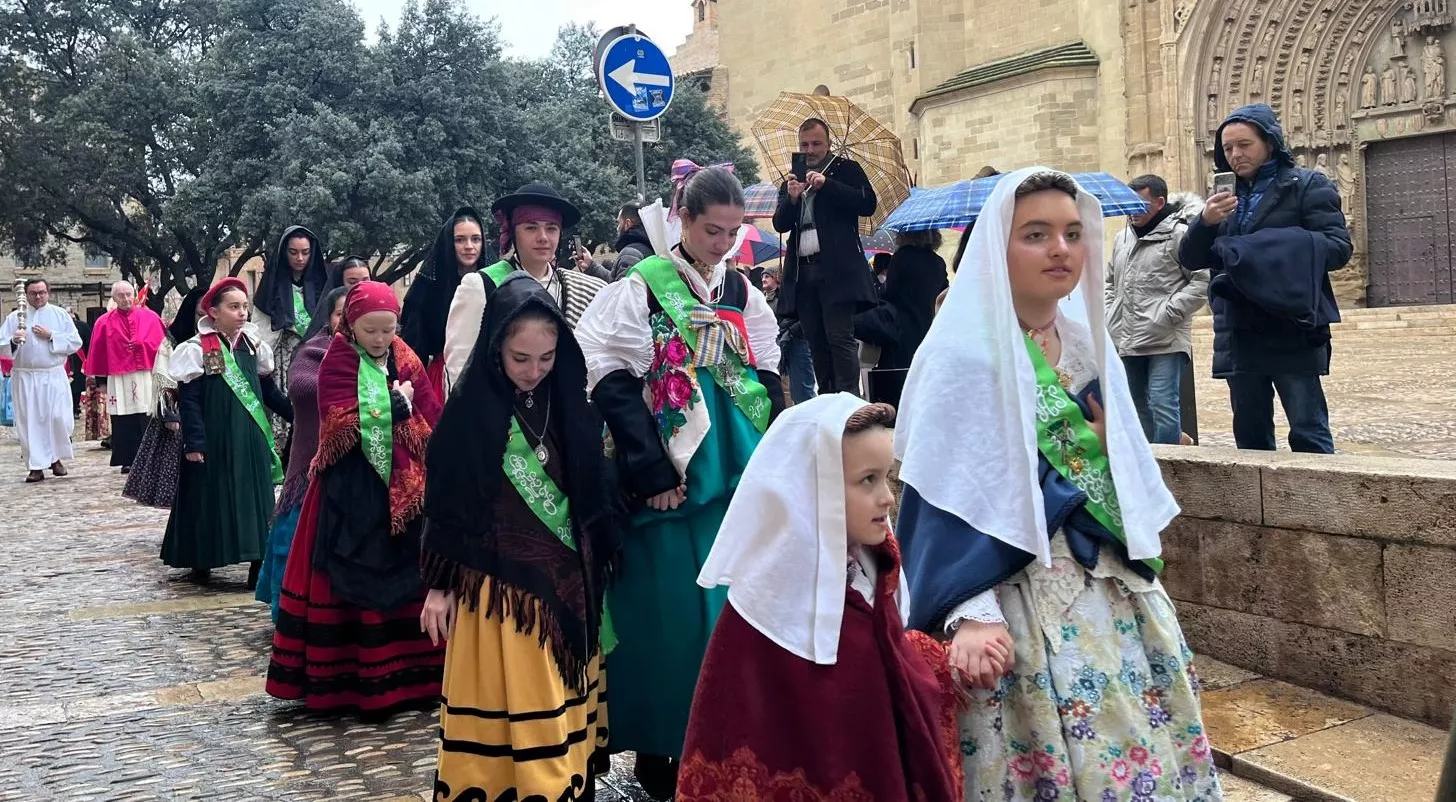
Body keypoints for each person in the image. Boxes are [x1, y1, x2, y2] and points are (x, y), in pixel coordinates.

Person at [895, 168, 1221, 799]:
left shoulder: (1087, 344)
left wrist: (1102, 451)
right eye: (1036, 234)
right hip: (1012, 593)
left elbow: (1122, 468)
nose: (1060, 249)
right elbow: (939, 496)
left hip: (1105, 584)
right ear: (997, 247)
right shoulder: (962, 356)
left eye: (1073, 233)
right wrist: (971, 613)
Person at [575, 166, 785, 797]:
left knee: (728, 608)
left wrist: (770, 448)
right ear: (682, 220)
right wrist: (648, 467)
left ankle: (728, 733)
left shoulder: (743, 290)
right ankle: (661, 742)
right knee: (667, 611)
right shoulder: (642, 286)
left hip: (735, 462)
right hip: (672, 466)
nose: (722, 243)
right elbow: (608, 374)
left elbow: (767, 368)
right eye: (711, 230)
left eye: (731, 232)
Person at [678, 395, 961, 801]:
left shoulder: (874, 575)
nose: (888, 497)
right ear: (815, 488)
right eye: (869, 480)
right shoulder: (762, 615)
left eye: (888, 477)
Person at [419, 274, 619, 800]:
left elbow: (594, 488)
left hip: (567, 575)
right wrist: (438, 585)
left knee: (559, 694)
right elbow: (445, 501)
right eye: (520, 358)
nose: (534, 371)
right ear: (495, 349)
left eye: (547, 358)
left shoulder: (572, 402)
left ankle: (565, 780)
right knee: (513, 698)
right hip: (497, 588)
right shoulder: (469, 413)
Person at [266, 281, 446, 714]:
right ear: (351, 325)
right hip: (349, 490)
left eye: (388, 329)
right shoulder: (337, 359)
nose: (381, 339)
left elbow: (430, 407)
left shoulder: (405, 355)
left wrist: (430, 435)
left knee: (410, 579)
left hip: (407, 486)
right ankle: (353, 683)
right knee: (353, 583)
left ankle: (419, 680)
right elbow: (340, 417)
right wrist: (393, 403)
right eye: (371, 331)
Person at [1179, 103, 1351, 453]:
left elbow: (1337, 249)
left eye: (1244, 145)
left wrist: (1254, 250)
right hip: (1239, 329)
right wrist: (1205, 223)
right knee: (1250, 434)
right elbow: (1191, 258)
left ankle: (1316, 506)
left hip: (1293, 324)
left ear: (1269, 142)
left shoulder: (1306, 186)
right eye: (1227, 149)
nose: (1235, 155)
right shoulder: (1223, 199)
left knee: (1308, 431)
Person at [162, 278, 292, 586]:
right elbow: (190, 400)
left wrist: (298, 414)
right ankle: (201, 562)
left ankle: (258, 565)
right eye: (234, 307)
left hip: (250, 437)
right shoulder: (196, 348)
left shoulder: (252, 345)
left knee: (258, 500)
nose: (242, 313)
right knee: (209, 499)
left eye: (244, 307)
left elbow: (268, 391)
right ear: (213, 311)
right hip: (214, 437)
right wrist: (194, 442)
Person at [442, 183, 607, 395]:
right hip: (503, 418)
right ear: (513, 233)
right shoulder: (481, 286)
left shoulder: (575, 287)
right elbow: (459, 368)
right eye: (531, 227)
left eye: (551, 228)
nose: (543, 237)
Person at [254, 285, 349, 620]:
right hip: (312, 470)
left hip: (362, 472)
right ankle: (291, 609)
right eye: (341, 313)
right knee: (297, 541)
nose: (348, 320)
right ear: (329, 316)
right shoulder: (314, 351)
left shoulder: (387, 352)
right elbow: (303, 389)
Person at [773, 117, 879, 395]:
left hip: (837, 271)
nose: (810, 150)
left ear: (829, 144)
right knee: (815, 340)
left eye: (816, 143)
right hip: (804, 272)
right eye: (805, 144)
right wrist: (793, 198)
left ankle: (848, 400)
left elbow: (867, 203)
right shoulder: (792, 179)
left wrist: (828, 185)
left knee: (839, 337)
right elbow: (780, 224)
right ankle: (827, 398)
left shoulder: (846, 169)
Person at [1106, 175, 1209, 445]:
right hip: (1127, 335)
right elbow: (1110, 281)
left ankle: (1170, 468)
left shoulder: (1180, 235)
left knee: (1163, 405)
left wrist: (1170, 312)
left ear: (1160, 202)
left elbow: (1202, 280)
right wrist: (1111, 312)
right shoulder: (1121, 238)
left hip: (1165, 337)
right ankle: (1148, 463)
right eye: (1127, 204)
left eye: (1138, 204)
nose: (1130, 212)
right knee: (1136, 406)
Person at [123, 285, 206, 510]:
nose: (204, 318)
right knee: (176, 476)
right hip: (180, 417)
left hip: (209, 413)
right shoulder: (175, 338)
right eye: (200, 313)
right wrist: (171, 413)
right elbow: (164, 376)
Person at [854, 229, 949, 410]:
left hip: (900, 335)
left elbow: (891, 295)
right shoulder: (938, 262)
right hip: (927, 332)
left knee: (898, 394)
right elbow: (943, 294)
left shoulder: (902, 257)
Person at [401, 206, 488, 398]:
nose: (469, 246)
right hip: (442, 378)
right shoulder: (428, 286)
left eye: (476, 239)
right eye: (460, 239)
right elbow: (413, 344)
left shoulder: (496, 283)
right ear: (449, 242)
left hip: (489, 375)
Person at [254, 226, 329, 448]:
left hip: (315, 360)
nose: (300, 258)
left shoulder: (320, 287)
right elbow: (261, 330)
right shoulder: (271, 287)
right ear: (283, 252)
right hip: (283, 362)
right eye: (293, 252)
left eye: (305, 252)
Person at [2, 279, 83, 482]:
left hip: (53, 375)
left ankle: (55, 458)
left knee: (58, 418)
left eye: (41, 292)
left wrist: (52, 335)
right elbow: (2, 345)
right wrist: (12, 341)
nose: (38, 296)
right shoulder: (14, 317)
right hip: (26, 376)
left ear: (48, 292)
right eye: (33, 293)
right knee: (30, 422)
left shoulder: (60, 315)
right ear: (26, 295)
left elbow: (75, 342)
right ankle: (35, 466)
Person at [85, 281, 167, 472]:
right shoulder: (103, 322)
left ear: (135, 295)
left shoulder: (151, 317)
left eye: (129, 294)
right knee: (123, 419)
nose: (126, 299)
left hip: (146, 375)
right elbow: (98, 353)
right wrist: (101, 381)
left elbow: (163, 346)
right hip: (118, 377)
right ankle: (128, 459)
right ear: (114, 298)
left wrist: (142, 346)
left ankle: (150, 457)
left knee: (147, 415)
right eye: (120, 295)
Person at [762, 266, 815, 405]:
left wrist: (790, 330)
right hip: (782, 340)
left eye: (768, 276)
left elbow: (806, 314)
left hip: (795, 338)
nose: (764, 279)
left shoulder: (796, 288)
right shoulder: (768, 296)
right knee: (792, 388)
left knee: (801, 389)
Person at [609, 199, 654, 281]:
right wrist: (592, 266)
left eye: (619, 223)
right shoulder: (654, 248)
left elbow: (623, 290)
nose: (617, 227)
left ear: (627, 223)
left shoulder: (630, 253)